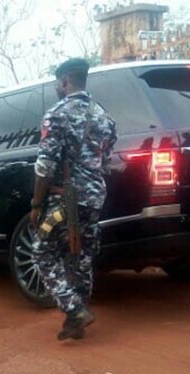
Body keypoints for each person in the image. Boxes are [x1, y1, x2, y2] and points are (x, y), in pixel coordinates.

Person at [30, 58, 117, 340]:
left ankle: (74, 308)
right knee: (82, 258)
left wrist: (35, 203)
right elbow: (106, 161)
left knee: (41, 252)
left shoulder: (57, 113)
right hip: (94, 199)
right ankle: (76, 320)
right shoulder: (104, 116)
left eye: (58, 82)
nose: (57, 87)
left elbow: (45, 166)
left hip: (64, 199)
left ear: (65, 81)